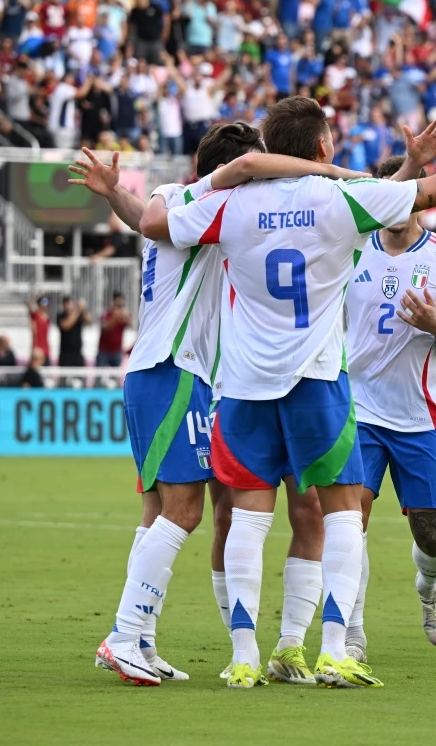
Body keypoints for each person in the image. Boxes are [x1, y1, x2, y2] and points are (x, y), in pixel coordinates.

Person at [140, 81, 436, 688]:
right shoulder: (338, 201)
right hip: (316, 380)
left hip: (245, 384)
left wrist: (221, 178)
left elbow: (155, 224)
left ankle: (245, 658)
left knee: (249, 520)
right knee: (340, 515)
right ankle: (335, 647)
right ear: (323, 145)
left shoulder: (232, 206)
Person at [79, 122, 367, 686]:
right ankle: (122, 632)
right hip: (175, 368)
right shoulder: (206, 201)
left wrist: (114, 191)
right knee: (184, 511)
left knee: (167, 510)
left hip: (166, 371)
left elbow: (146, 216)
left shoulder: (183, 202)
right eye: (261, 169)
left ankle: (140, 637)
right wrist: (329, 172)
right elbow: (173, 206)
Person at [344, 150, 436, 657]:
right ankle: (351, 632)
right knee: (348, 521)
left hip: (420, 416)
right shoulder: (351, 250)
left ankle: (428, 588)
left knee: (431, 535)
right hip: (358, 410)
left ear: (423, 195)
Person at [96, 291, 132, 368]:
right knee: (99, 375)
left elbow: (131, 325)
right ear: (113, 301)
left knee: (116, 376)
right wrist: (114, 318)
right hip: (104, 350)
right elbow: (104, 328)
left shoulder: (124, 314)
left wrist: (126, 317)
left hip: (117, 351)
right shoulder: (106, 313)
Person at [57, 296, 91, 368]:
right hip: (65, 355)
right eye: (67, 304)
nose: (69, 307)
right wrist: (77, 310)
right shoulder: (60, 316)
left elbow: (89, 321)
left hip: (78, 353)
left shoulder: (78, 315)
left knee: (80, 377)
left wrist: (83, 309)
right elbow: (66, 325)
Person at [27, 294, 50, 365]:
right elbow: (28, 303)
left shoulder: (47, 317)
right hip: (37, 349)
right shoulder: (35, 315)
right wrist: (35, 293)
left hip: (45, 349)